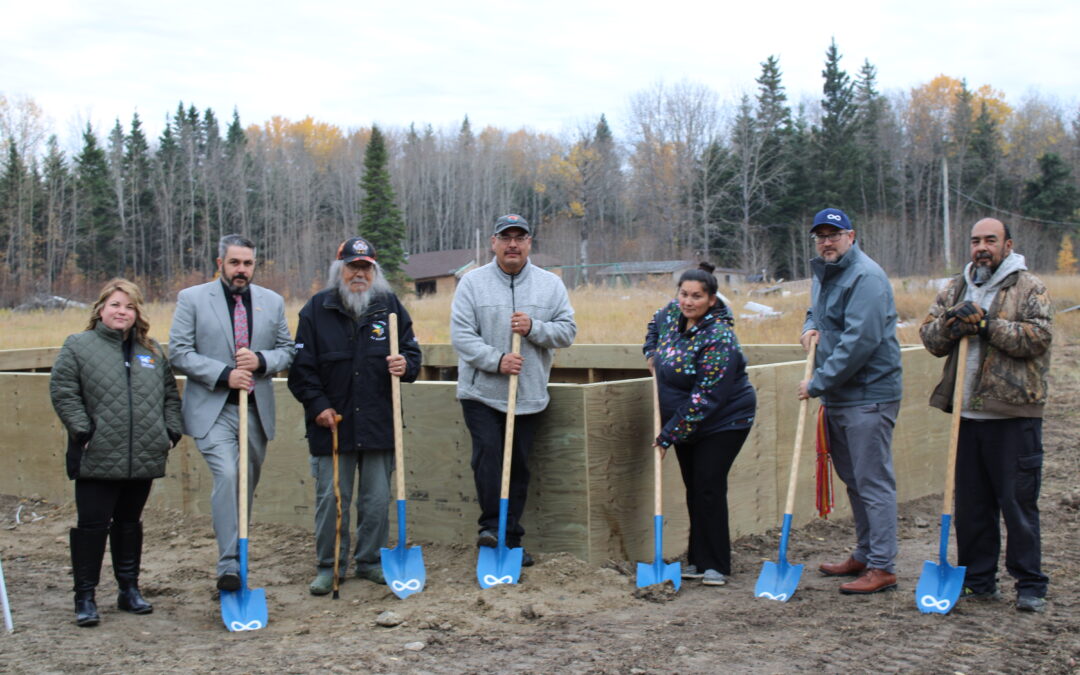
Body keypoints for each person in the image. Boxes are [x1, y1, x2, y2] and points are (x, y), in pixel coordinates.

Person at [918, 217, 1053, 613]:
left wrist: (988, 326)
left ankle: (1030, 584)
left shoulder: (1029, 286)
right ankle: (978, 580)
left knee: (1018, 503)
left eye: (990, 240)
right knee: (972, 506)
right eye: (976, 240)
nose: (981, 247)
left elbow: (1039, 337)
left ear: (1007, 245)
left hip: (1013, 413)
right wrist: (952, 322)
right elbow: (929, 338)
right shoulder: (955, 287)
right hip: (967, 414)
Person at [288, 237, 422, 594]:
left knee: (376, 501)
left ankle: (370, 561)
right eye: (352, 267)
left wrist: (405, 363)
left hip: (379, 422)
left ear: (374, 271)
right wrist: (318, 407)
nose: (359, 273)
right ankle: (328, 565)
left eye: (366, 267)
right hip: (333, 425)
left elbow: (413, 355)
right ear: (340, 269)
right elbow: (301, 370)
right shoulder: (316, 309)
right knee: (332, 500)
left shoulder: (389, 307)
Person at [50, 278, 183, 626]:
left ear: (137, 312)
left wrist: (169, 431)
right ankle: (85, 596)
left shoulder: (151, 350)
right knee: (91, 527)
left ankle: (129, 589)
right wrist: (83, 430)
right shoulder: (79, 346)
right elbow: (64, 390)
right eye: (115, 305)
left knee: (128, 524)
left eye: (129, 306)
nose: (121, 311)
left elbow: (170, 395)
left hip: (142, 455)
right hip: (97, 455)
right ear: (101, 309)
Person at [169, 234, 294, 592]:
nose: (242, 270)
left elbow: (288, 350)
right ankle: (228, 566)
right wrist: (224, 374)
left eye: (248, 263)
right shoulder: (192, 299)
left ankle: (238, 557)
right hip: (213, 408)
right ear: (220, 263)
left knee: (245, 485)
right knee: (226, 474)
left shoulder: (271, 302)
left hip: (255, 409)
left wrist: (261, 361)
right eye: (235, 263)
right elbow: (179, 351)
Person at [451, 214, 577, 566]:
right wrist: (497, 360)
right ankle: (491, 529)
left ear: (529, 243)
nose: (512, 244)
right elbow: (462, 338)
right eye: (505, 238)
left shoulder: (549, 286)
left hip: (529, 394)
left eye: (519, 238)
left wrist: (535, 327)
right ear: (493, 243)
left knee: (518, 467)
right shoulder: (472, 284)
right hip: (481, 393)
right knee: (489, 457)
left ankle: (510, 540)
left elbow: (567, 332)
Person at [798, 207, 903, 595]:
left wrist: (817, 382)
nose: (827, 241)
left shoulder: (867, 278)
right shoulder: (825, 274)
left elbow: (859, 342)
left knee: (873, 481)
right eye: (821, 236)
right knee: (854, 480)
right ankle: (864, 553)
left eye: (834, 234)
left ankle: (883, 565)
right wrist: (809, 327)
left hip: (869, 395)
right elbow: (816, 314)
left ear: (851, 236)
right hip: (840, 395)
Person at [643, 269, 756, 586]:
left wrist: (667, 436)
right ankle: (697, 560)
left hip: (724, 420)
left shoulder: (719, 337)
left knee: (708, 485)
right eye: (683, 293)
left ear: (711, 299)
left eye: (696, 296)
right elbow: (653, 326)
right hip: (685, 420)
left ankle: (716, 564)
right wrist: (651, 352)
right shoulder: (670, 315)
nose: (688, 301)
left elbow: (707, 397)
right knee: (694, 487)